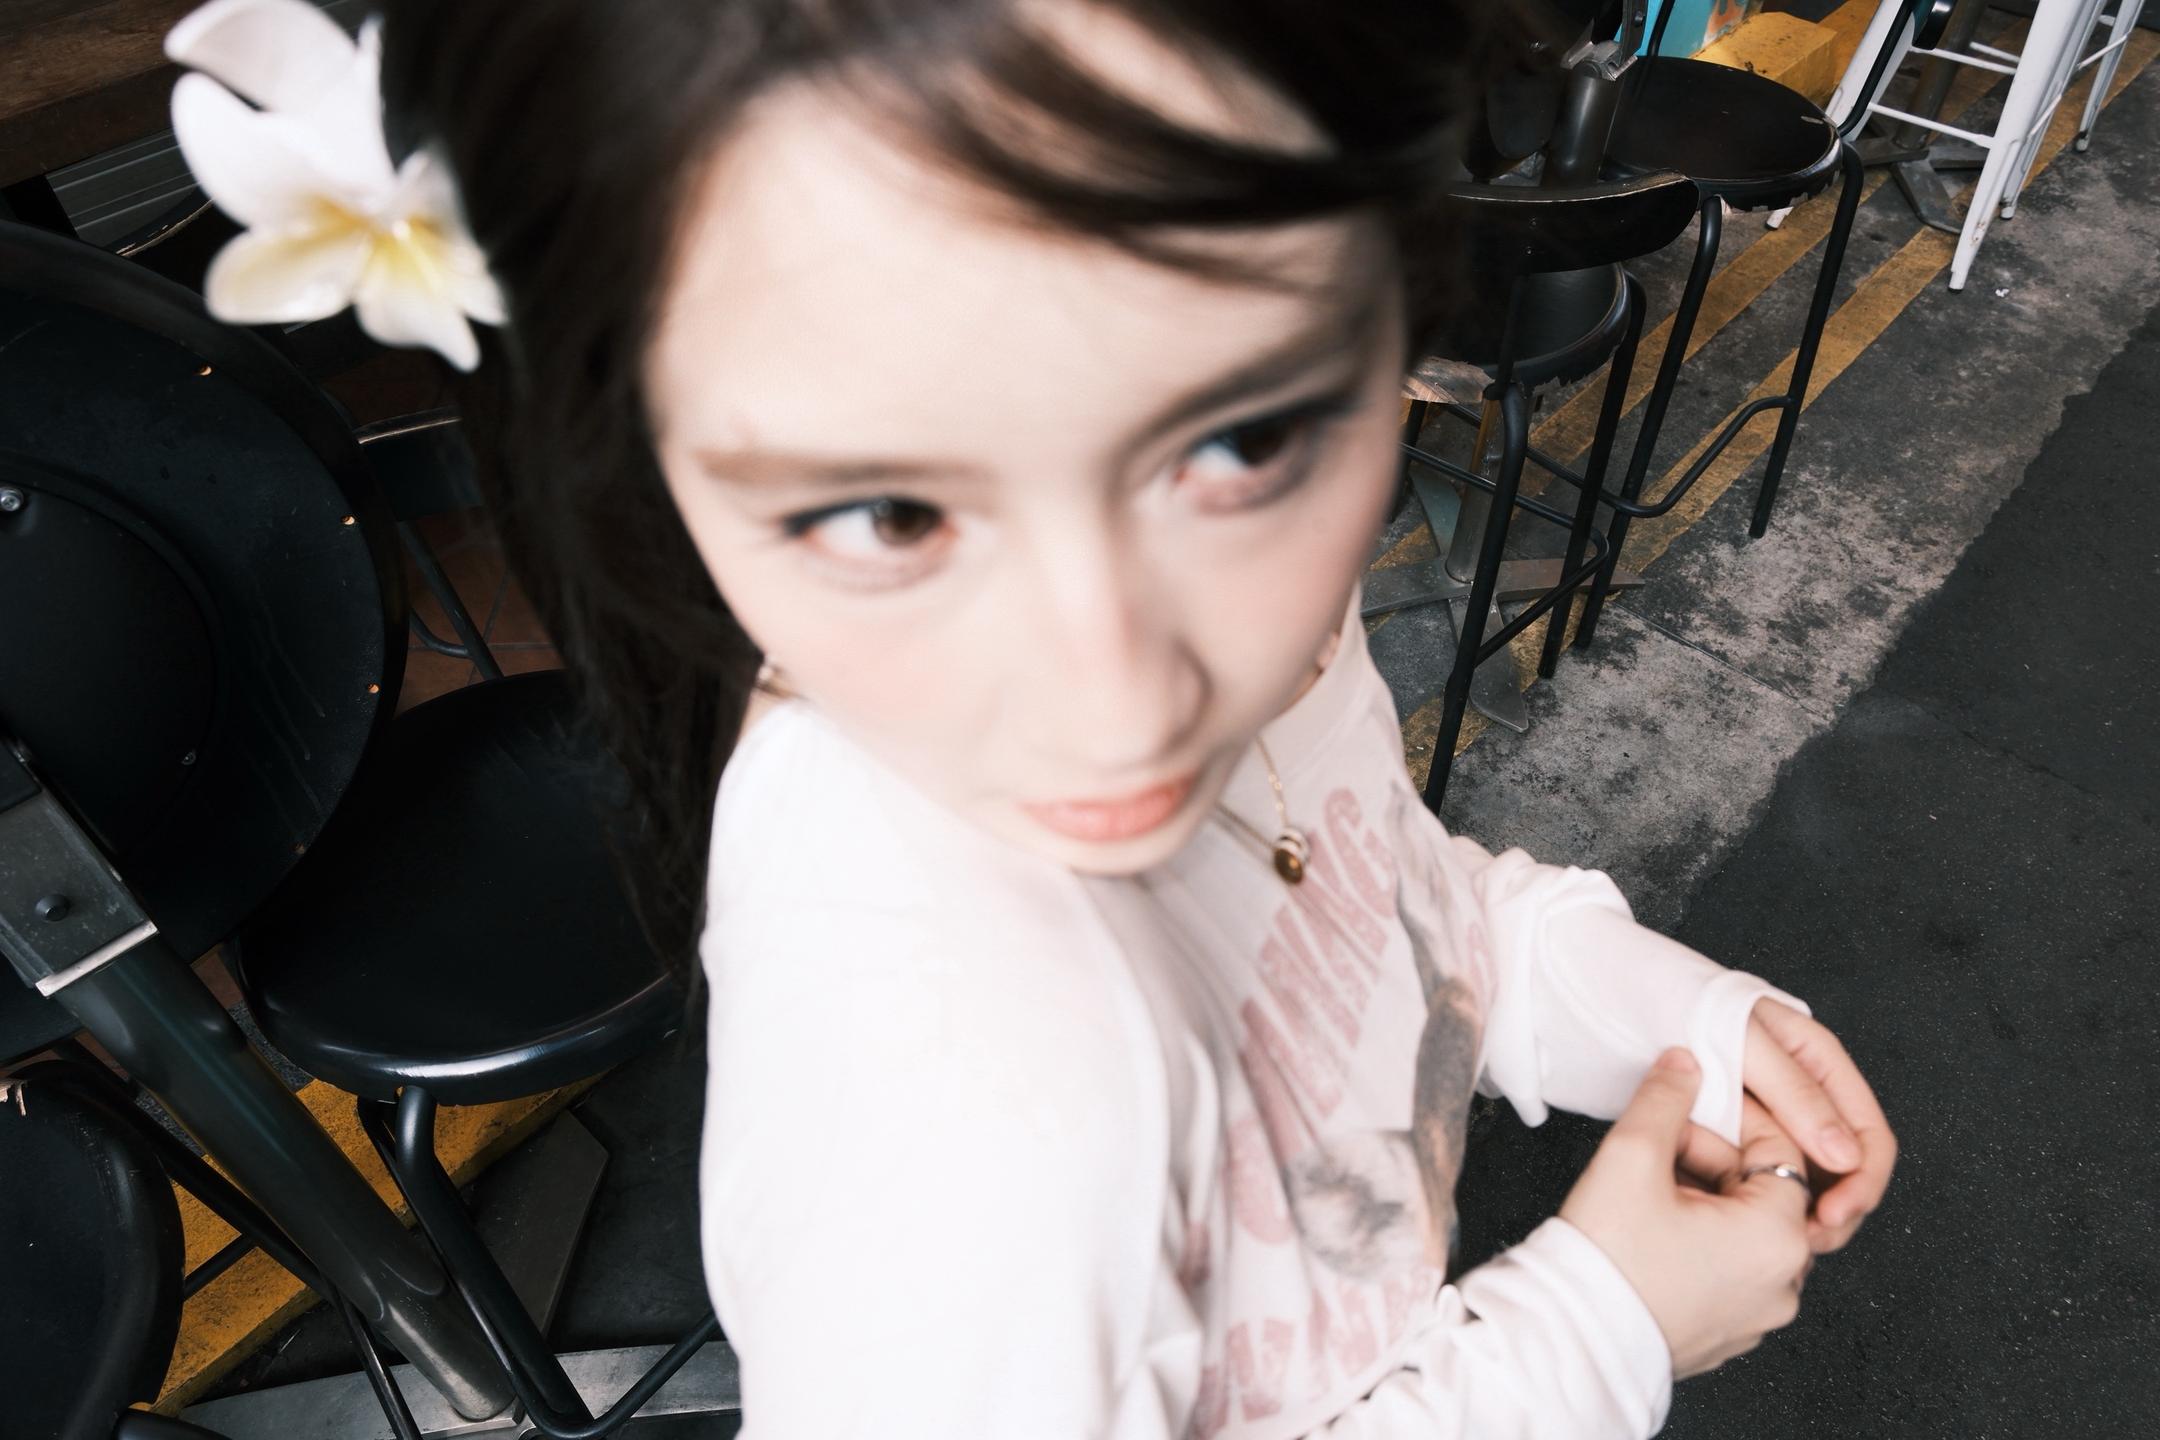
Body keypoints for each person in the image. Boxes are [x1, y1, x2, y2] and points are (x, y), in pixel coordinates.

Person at [170, 0, 1895, 1432]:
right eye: (886, 512)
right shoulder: (965, 1090)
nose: (1117, 697)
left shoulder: (1281, 647)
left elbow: (1371, 886)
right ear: (644, 476)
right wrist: (1590, 1335)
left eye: (1240, 439)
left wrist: (1644, 1010)